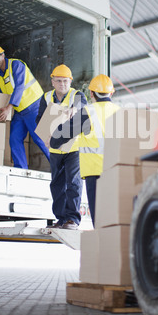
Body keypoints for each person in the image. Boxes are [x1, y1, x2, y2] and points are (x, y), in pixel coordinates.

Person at [49, 74, 119, 227]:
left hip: (95, 173)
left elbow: (57, 139)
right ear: (111, 93)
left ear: (92, 94)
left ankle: (102, 246)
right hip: (117, 172)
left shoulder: (88, 112)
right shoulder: (121, 112)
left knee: (99, 221)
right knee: (115, 219)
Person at [36, 64, 87, 230]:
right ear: (52, 82)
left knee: (73, 183)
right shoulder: (46, 97)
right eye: (59, 81)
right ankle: (61, 218)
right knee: (57, 185)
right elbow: (39, 120)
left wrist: (75, 108)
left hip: (74, 148)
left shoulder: (76, 95)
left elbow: (82, 103)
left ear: (70, 81)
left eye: (65, 81)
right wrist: (44, 137)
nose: (62, 84)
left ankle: (72, 218)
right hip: (55, 150)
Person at [0, 44, 50, 169]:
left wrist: (8, 109)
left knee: (41, 139)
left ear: (3, 55)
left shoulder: (15, 65)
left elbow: (20, 86)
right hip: (20, 110)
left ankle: (62, 167)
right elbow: (3, 95)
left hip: (35, 106)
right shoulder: (0, 75)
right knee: (14, 139)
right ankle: (20, 169)